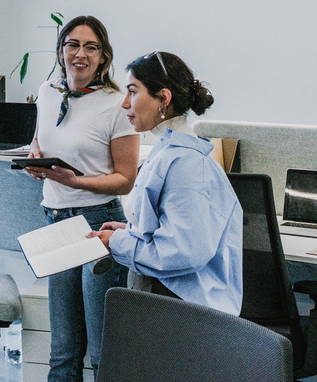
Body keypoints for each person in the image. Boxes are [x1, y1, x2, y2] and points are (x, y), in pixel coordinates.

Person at [19, 14, 139, 382]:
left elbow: (125, 178)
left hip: (97, 225)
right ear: (61, 50)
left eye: (91, 47)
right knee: (63, 347)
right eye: (73, 45)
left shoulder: (116, 105)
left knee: (100, 351)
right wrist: (37, 164)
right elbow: (42, 144)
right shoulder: (48, 95)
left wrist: (74, 181)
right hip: (56, 223)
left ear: (103, 56)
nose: (80, 54)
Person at [89, 50, 242, 314]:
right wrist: (131, 230)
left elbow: (183, 251)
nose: (125, 103)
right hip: (163, 303)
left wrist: (115, 242)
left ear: (163, 98)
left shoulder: (186, 165)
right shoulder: (169, 153)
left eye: (133, 92)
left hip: (179, 313)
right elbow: (172, 227)